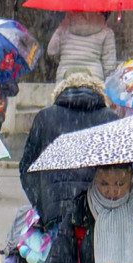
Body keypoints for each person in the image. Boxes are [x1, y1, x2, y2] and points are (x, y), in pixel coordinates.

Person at [19, 74, 119, 228]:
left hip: (56, 211)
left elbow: (27, 167)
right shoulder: (110, 119)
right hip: (100, 213)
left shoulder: (45, 117)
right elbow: (121, 168)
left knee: (58, 251)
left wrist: (42, 203)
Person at [47, 11, 117, 82]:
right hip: (93, 80)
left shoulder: (64, 27)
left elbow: (52, 52)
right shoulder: (106, 31)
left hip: (65, 78)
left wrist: (59, 29)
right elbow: (109, 67)